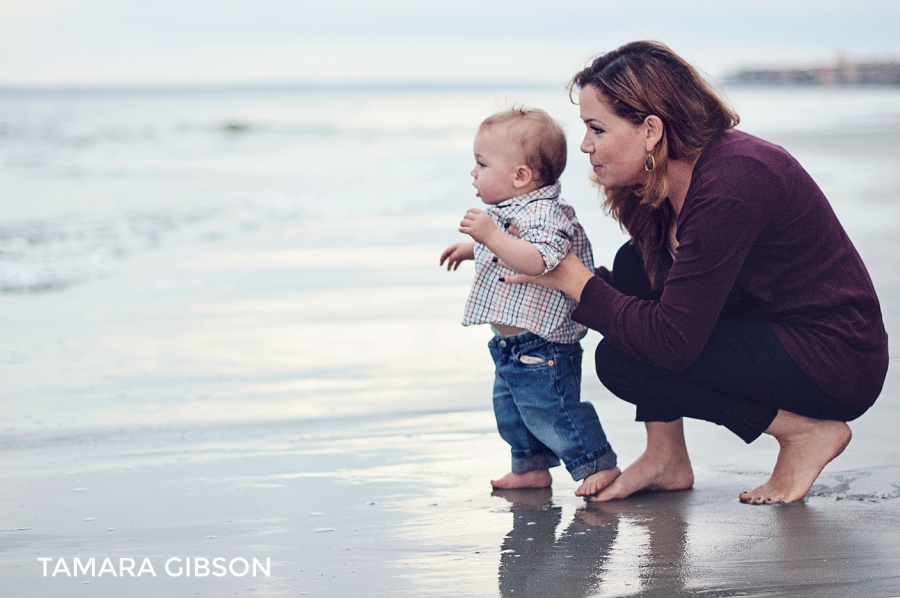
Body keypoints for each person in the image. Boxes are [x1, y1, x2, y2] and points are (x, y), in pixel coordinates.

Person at [505, 41, 889, 504]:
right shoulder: (663, 182)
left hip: (835, 359)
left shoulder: (734, 181)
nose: (585, 145)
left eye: (597, 128)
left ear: (650, 130)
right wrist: (530, 261)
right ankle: (665, 457)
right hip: (775, 328)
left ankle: (805, 433)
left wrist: (574, 280)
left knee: (623, 360)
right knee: (633, 267)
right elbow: (646, 296)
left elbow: (672, 340)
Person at [439, 107, 620, 496]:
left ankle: (596, 463)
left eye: (481, 163)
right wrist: (473, 248)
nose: (473, 172)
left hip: (544, 341)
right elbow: (509, 247)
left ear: (521, 176)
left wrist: (489, 236)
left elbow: (539, 260)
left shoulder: (545, 213)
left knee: (552, 409)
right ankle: (530, 467)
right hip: (513, 342)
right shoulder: (512, 210)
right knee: (513, 411)